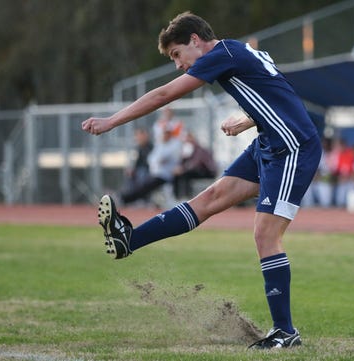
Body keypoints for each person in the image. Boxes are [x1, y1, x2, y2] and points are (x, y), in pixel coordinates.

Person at [82, 12, 321, 349]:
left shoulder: (222, 54)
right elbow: (277, 89)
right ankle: (128, 239)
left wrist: (112, 121)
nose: (179, 65)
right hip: (269, 140)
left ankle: (285, 331)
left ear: (195, 40)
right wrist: (252, 118)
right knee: (207, 201)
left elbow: (164, 95)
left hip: (292, 146)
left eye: (177, 55)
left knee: (265, 234)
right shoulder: (236, 51)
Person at [118, 120, 182, 206]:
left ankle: (125, 199)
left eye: (167, 133)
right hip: (155, 173)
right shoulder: (160, 144)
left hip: (166, 175)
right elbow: (152, 159)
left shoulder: (174, 144)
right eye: (164, 133)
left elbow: (162, 158)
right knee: (138, 180)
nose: (165, 135)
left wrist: (158, 161)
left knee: (145, 184)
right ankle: (125, 197)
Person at [173, 131, 218, 199]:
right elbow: (185, 163)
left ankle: (188, 198)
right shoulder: (188, 150)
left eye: (189, 138)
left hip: (208, 172)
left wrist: (182, 169)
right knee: (177, 175)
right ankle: (177, 198)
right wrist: (180, 167)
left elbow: (194, 164)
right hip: (197, 171)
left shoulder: (199, 149)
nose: (187, 140)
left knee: (186, 174)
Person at [120, 127, 153, 204]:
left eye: (140, 135)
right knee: (129, 175)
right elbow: (133, 162)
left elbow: (150, 163)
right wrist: (130, 169)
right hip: (138, 171)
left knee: (142, 175)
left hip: (148, 171)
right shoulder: (137, 148)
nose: (138, 138)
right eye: (137, 135)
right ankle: (128, 198)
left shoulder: (151, 147)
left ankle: (142, 199)